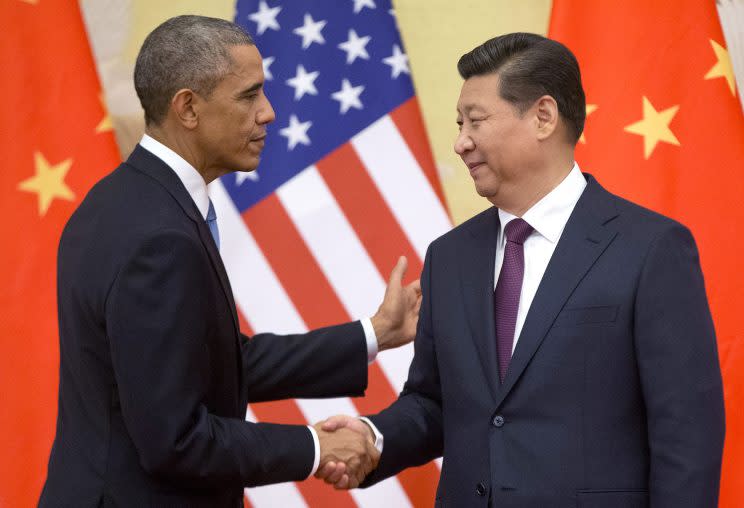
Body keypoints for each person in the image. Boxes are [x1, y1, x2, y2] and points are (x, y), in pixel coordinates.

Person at [318, 33, 726, 507]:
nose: (460, 142)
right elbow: (434, 403)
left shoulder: (650, 247)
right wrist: (373, 437)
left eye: (476, 121)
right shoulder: (449, 257)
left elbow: (686, 433)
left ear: (543, 117)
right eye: (459, 123)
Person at [38, 15, 420, 508]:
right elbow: (175, 441)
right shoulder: (159, 237)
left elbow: (216, 365)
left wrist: (374, 334)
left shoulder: (123, 200)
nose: (269, 113)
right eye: (249, 95)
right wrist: (315, 445)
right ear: (188, 108)